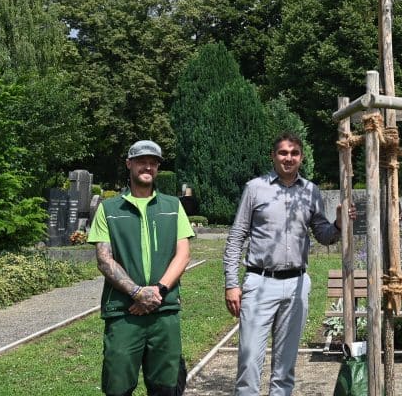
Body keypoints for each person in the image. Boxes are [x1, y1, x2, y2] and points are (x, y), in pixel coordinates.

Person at [224, 132, 354, 396]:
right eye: (283, 153)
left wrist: (339, 223)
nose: (288, 158)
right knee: (249, 362)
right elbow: (236, 236)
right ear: (273, 156)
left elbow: (323, 235)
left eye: (294, 153)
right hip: (259, 282)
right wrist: (231, 283)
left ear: (301, 158)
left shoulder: (310, 192)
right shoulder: (255, 188)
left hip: (296, 285)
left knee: (285, 368)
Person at [88, 140, 194, 396]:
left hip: (164, 311)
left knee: (167, 386)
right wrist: (136, 292)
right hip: (124, 312)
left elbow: (183, 254)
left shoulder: (172, 206)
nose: (148, 166)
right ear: (129, 164)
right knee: (117, 385)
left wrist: (157, 291)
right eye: (141, 161)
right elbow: (104, 259)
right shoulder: (109, 209)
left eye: (153, 162)